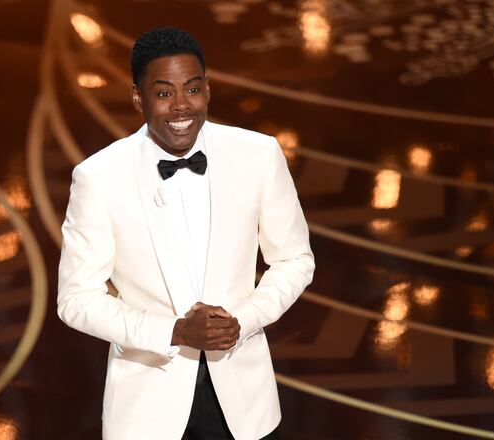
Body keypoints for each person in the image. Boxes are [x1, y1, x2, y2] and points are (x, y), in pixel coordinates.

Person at [57, 26, 315, 440]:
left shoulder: (258, 154)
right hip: (145, 410)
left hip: (245, 405)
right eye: (163, 93)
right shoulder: (98, 177)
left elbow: (294, 260)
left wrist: (242, 321)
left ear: (208, 90)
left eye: (192, 89)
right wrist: (173, 332)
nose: (181, 106)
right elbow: (76, 300)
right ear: (138, 98)